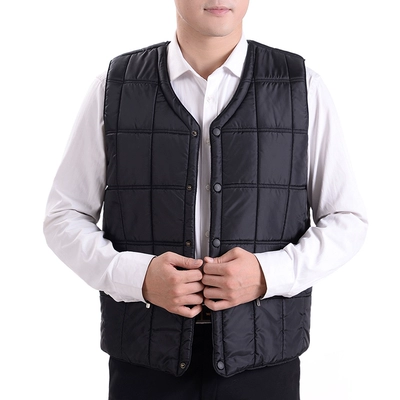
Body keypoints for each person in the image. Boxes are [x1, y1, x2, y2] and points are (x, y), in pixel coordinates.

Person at [43, 1, 368, 399]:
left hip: (263, 362)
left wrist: (268, 274)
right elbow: (64, 216)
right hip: (145, 362)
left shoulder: (301, 87)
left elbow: (347, 219)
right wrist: (138, 278)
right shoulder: (116, 86)